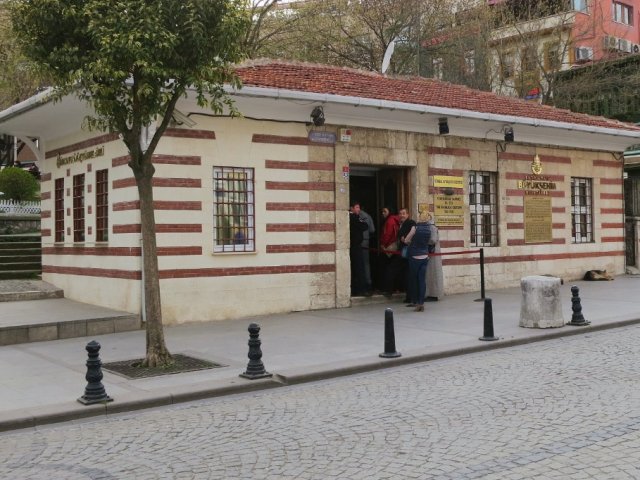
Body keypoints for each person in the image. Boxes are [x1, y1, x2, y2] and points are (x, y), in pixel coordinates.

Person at [404, 211, 432, 312]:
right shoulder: (429, 229)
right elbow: (430, 241)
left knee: (414, 280)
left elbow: (406, 240)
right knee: (422, 280)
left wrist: (411, 242)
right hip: (424, 256)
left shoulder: (415, 228)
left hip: (414, 256)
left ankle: (415, 301)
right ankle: (421, 302)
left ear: (420, 218)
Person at [349, 202, 370, 297]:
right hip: (355, 247)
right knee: (359, 268)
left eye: (359, 207)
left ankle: (356, 289)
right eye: (357, 207)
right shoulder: (353, 217)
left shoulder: (355, 217)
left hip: (356, 246)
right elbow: (364, 226)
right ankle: (361, 289)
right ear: (352, 208)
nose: (358, 209)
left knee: (357, 268)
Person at [379, 206, 400, 297]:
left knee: (387, 269)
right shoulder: (395, 219)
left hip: (389, 247)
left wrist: (383, 244)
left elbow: (387, 234)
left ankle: (388, 290)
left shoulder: (390, 220)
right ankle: (396, 288)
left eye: (385, 211)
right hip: (394, 247)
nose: (383, 213)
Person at [397, 208, 416, 303]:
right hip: (403, 253)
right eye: (400, 214)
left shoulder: (411, 222)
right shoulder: (401, 224)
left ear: (408, 214)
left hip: (408, 252)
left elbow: (413, 232)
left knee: (409, 274)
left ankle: (410, 296)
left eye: (404, 213)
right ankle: (408, 295)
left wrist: (406, 239)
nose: (402, 215)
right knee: (405, 274)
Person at [425, 213, 443, 301]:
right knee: (430, 274)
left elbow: (433, 240)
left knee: (433, 274)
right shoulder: (430, 226)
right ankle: (431, 293)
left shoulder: (431, 227)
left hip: (433, 253)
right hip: (432, 253)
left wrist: (424, 241)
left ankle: (434, 294)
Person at [359, 207, 375, 293]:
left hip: (359, 242)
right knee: (366, 263)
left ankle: (361, 285)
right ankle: (368, 283)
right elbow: (372, 230)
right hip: (366, 241)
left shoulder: (356, 215)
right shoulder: (368, 216)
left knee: (360, 264)